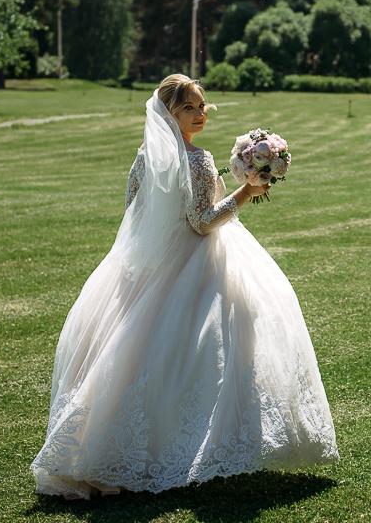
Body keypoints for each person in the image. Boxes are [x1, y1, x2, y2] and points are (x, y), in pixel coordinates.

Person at [31, 74, 338, 498]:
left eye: (201, 105)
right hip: (197, 260)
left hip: (153, 261)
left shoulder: (145, 156)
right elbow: (203, 221)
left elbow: (133, 213)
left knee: (142, 350)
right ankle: (199, 443)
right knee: (219, 340)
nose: (200, 114)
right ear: (169, 113)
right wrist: (248, 190)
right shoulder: (197, 160)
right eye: (189, 108)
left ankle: (122, 443)